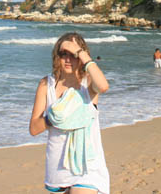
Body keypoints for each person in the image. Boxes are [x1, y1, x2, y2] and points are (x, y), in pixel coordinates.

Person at [29, 33, 110, 194]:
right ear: (56, 56)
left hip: (87, 166)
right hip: (57, 167)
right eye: (63, 54)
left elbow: (103, 86)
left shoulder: (88, 83)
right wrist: (55, 118)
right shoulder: (46, 85)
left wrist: (80, 52)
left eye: (73, 55)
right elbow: (34, 128)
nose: (68, 60)